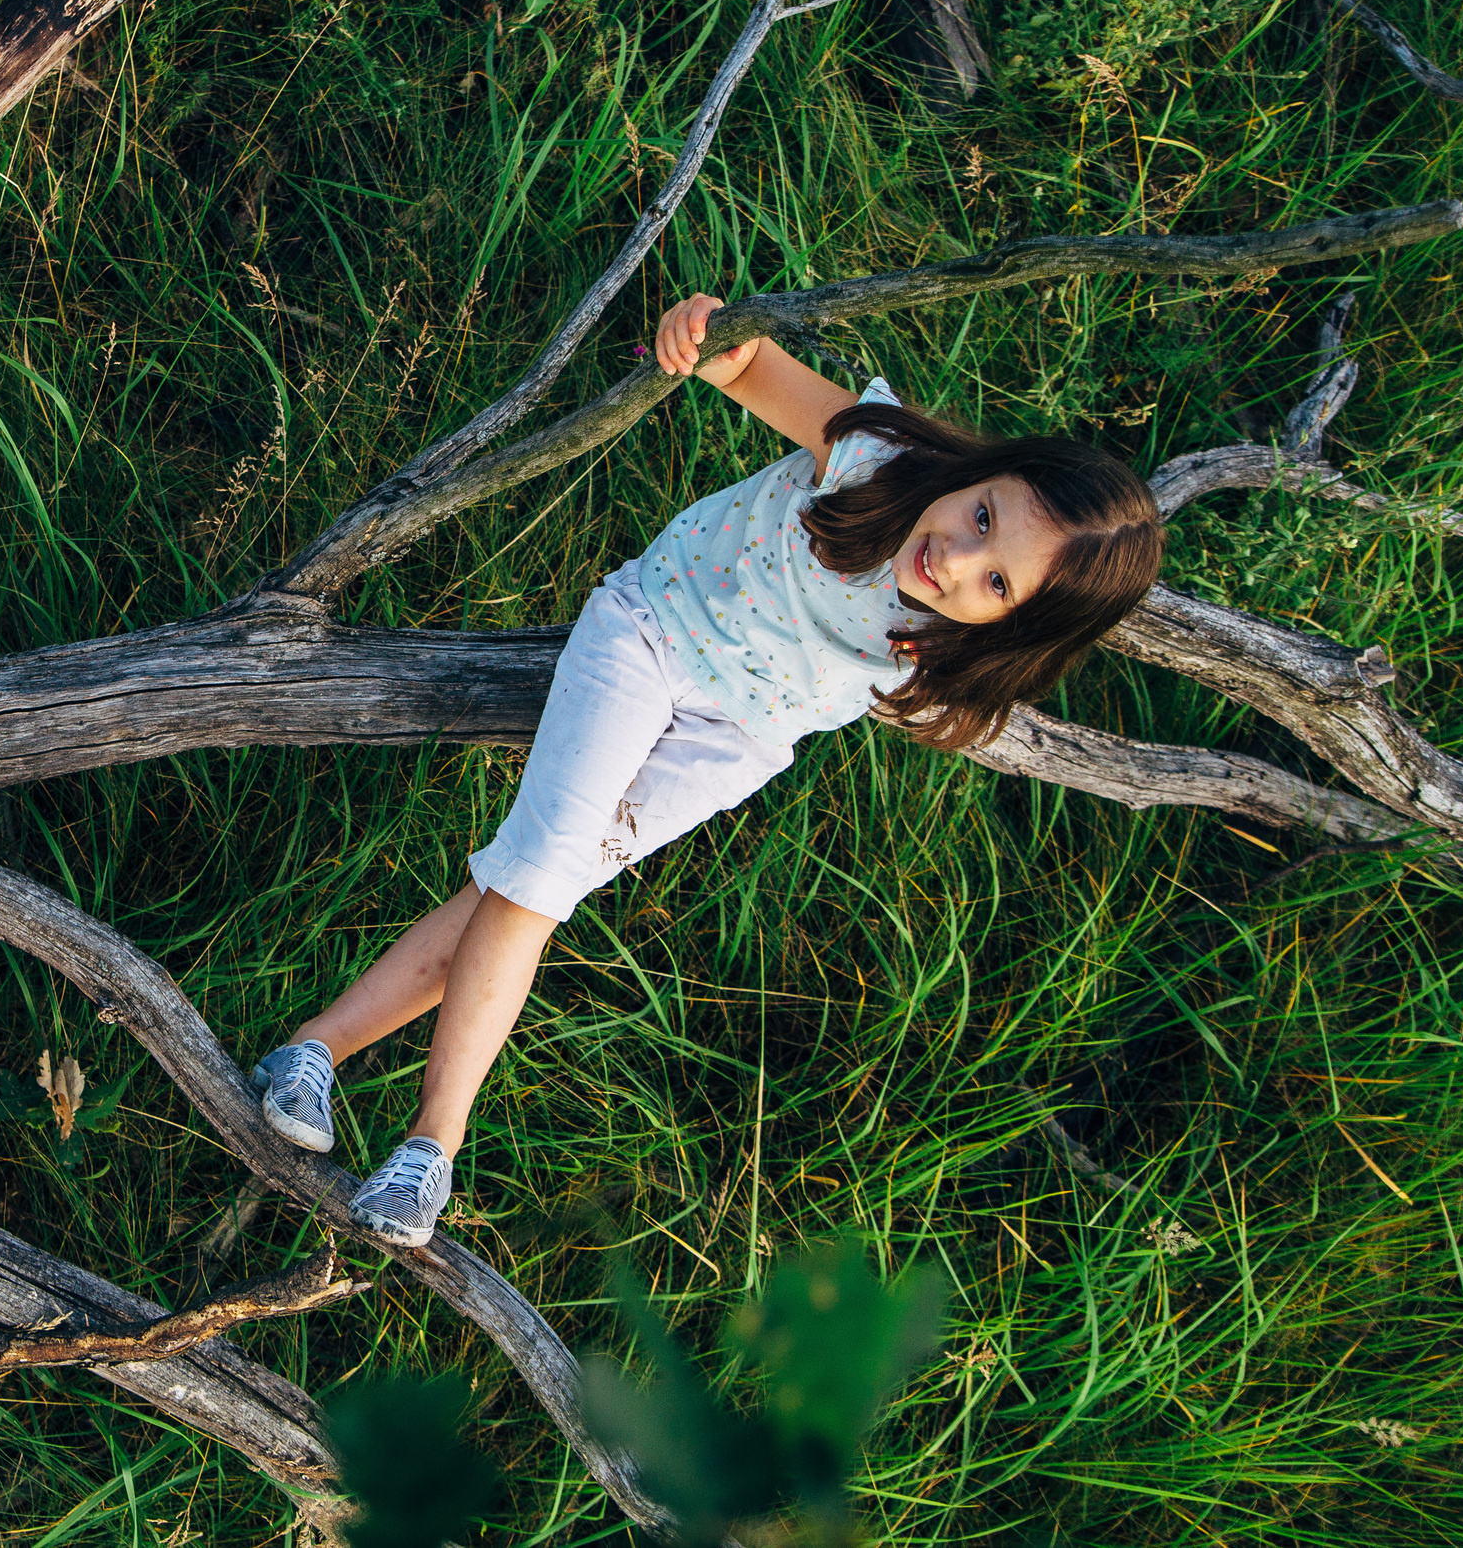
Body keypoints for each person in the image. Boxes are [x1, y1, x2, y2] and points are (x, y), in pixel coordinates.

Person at [247, 294, 1166, 1247]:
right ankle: (432, 1147)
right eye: (982, 516)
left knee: (524, 884)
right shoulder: (878, 460)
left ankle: (312, 1049)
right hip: (650, 637)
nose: (959, 560)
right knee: (538, 885)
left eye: (999, 582)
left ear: (1015, 622)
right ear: (986, 470)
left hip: (733, 743)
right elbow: (747, 364)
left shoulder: (946, 642)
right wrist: (702, 332)